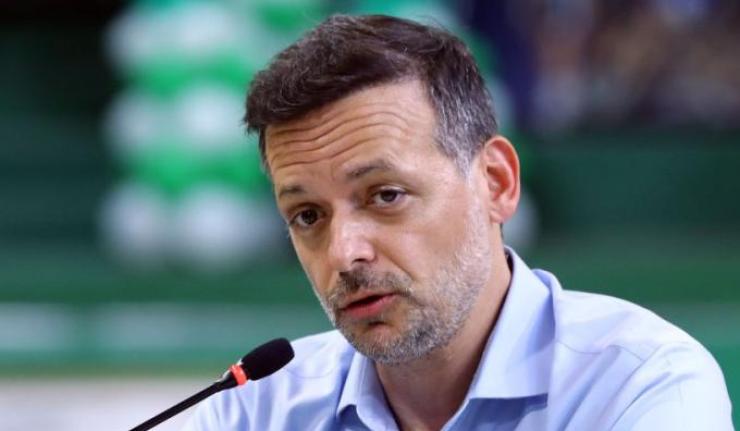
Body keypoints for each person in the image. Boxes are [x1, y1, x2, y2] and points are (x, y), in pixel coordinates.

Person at [183, 14, 733, 431]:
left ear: (496, 182)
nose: (344, 252)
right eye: (307, 216)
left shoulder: (640, 383)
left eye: (386, 195)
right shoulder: (253, 409)